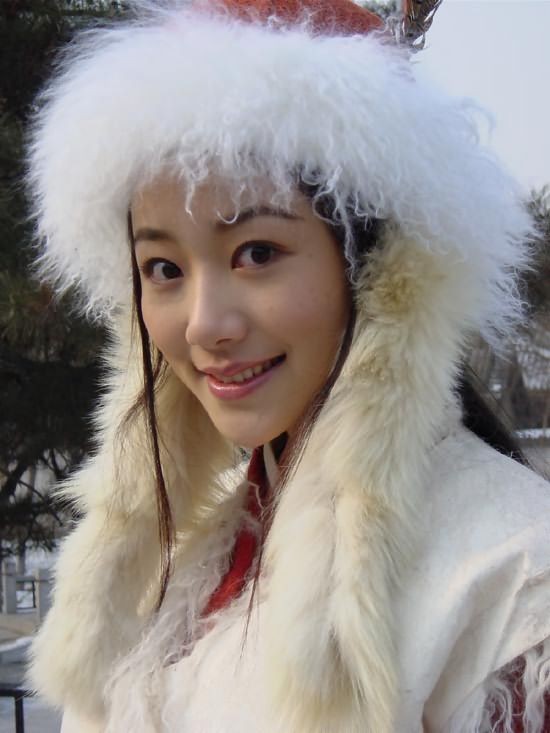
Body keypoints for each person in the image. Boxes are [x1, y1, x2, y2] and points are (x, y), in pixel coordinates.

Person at [26, 0, 550, 731]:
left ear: (380, 271)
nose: (205, 324)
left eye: (258, 253)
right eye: (163, 268)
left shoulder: (511, 580)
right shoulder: (183, 557)